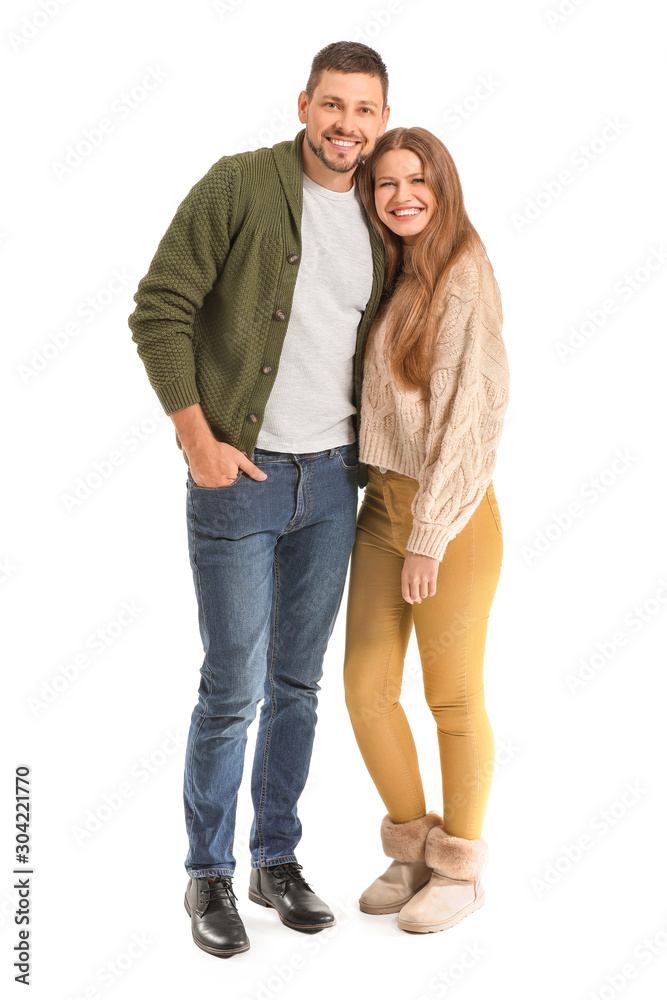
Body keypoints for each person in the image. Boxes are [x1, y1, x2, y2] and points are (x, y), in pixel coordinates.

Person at [127, 41, 390, 958]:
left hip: (333, 482)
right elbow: (158, 304)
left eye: (363, 111)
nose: (346, 125)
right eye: (333, 105)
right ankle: (207, 873)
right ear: (304, 104)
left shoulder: (381, 214)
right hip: (239, 479)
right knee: (231, 686)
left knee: (296, 685)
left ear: (380, 122)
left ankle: (274, 859)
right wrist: (197, 439)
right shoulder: (239, 184)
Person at [343, 126, 509, 934]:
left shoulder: (464, 273)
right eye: (386, 185)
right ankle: (412, 845)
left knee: (451, 697)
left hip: (453, 518)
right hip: (383, 509)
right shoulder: (395, 272)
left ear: (442, 185)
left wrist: (430, 533)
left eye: (418, 181)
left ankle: (460, 865)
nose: (403, 195)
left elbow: (472, 424)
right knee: (365, 691)